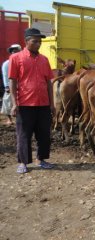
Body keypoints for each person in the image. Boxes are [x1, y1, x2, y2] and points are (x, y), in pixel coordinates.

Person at [9, 28, 55, 174]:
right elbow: (13, 81)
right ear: (26, 41)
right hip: (24, 104)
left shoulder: (44, 60)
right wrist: (14, 103)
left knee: (44, 134)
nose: (38, 44)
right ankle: (23, 162)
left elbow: (48, 82)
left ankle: (41, 159)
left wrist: (52, 104)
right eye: (35, 41)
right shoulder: (16, 58)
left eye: (40, 41)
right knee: (24, 135)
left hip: (43, 104)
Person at [1, 44, 22, 125]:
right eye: (13, 51)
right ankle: (9, 119)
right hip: (10, 86)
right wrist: (7, 86)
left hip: (20, 86)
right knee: (7, 101)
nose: (14, 52)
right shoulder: (7, 63)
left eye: (16, 50)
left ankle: (18, 118)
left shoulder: (21, 62)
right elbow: (5, 75)